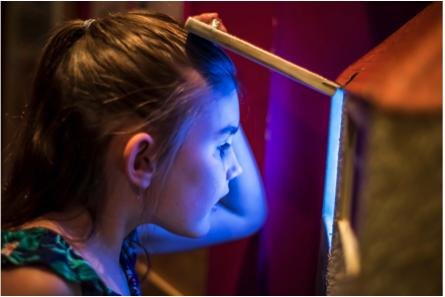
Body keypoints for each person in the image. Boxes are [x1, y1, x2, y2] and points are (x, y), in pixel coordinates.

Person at [0, 11, 263, 296]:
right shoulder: (39, 283)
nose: (234, 168)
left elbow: (246, 213)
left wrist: (215, 87)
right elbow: (244, 214)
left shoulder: (114, 236)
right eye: (223, 146)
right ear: (142, 160)